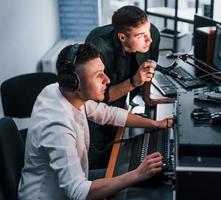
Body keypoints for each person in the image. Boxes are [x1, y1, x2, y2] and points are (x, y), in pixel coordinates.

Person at [18, 43, 173, 199]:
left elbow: (107, 113)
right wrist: (138, 174)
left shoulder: (59, 91)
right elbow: (79, 192)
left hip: (73, 183)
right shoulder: (57, 127)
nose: (107, 80)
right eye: (98, 75)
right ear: (73, 83)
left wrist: (156, 124)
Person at [85, 5, 173, 169]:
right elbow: (97, 100)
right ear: (122, 37)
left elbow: (149, 68)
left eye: (148, 31)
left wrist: (147, 97)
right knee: (102, 163)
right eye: (141, 36)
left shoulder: (151, 33)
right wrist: (133, 82)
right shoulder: (97, 48)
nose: (150, 39)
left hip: (119, 106)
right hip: (97, 113)